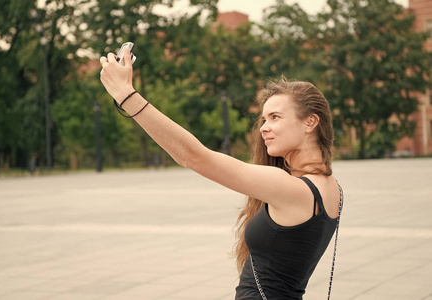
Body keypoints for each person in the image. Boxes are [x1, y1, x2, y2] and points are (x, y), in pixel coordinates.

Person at [100, 47, 343, 299]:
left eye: (275, 117)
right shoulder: (331, 186)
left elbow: (193, 155)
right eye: (263, 120)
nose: (264, 128)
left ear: (310, 122)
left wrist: (126, 95)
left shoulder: (291, 189)